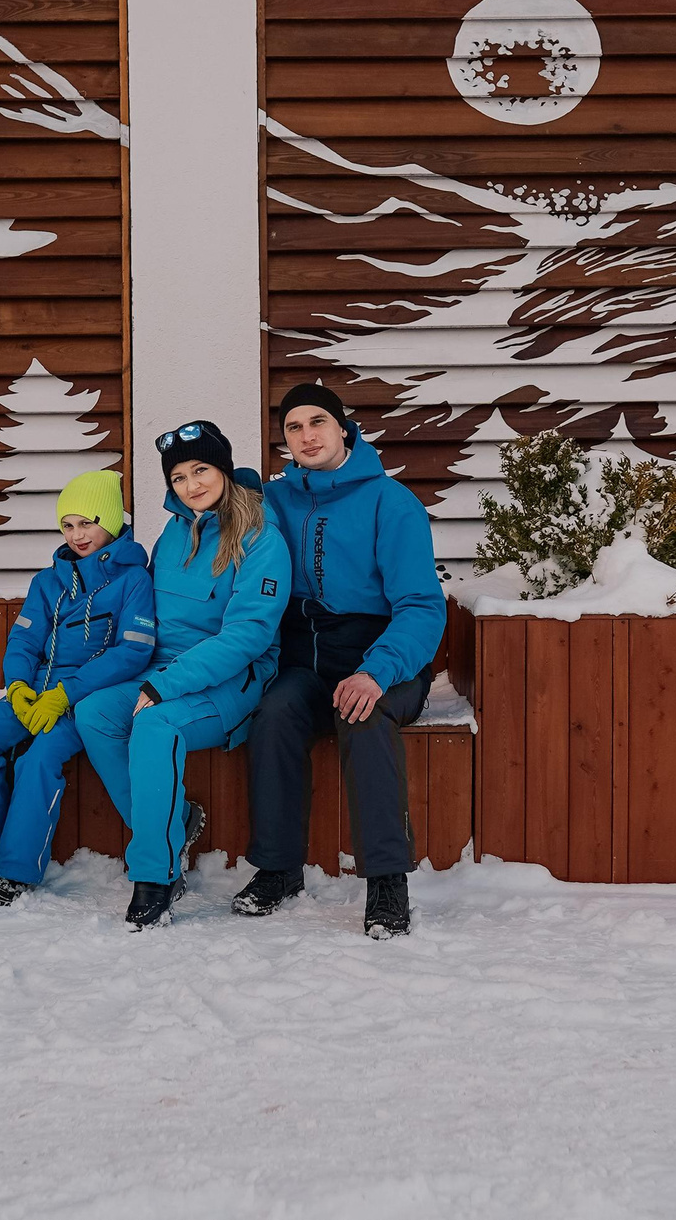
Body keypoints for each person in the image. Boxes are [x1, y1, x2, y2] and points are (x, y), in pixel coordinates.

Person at [235, 381, 445, 938]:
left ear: (343, 428)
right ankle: (278, 869)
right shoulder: (275, 501)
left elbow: (422, 606)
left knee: (363, 715)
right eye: (293, 428)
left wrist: (376, 671)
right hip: (305, 655)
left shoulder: (391, 502)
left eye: (317, 422)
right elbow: (218, 505)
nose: (307, 436)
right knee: (274, 714)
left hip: (383, 654)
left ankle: (386, 880)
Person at [67, 421, 290, 930]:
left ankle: (156, 875)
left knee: (155, 725)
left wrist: (163, 686)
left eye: (201, 470)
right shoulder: (174, 531)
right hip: (162, 670)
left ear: (224, 470)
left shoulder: (260, 539)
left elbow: (248, 635)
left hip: (232, 681)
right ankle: (173, 825)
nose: (191, 484)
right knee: (95, 712)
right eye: (179, 477)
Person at [0, 469, 156, 906]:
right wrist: (19, 686)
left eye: (88, 522)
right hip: (35, 693)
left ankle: (16, 870)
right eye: (68, 524)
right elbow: (24, 638)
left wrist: (67, 694)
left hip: (82, 701)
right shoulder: (48, 582)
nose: (78, 534)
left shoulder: (133, 580)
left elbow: (132, 652)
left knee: (39, 758)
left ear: (113, 521)